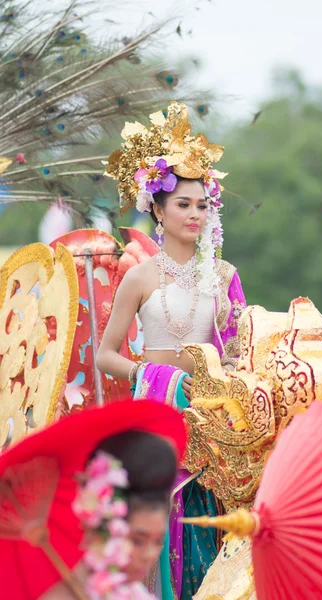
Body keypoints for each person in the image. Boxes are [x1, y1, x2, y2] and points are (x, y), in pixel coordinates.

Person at [96, 102, 247, 600]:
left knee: (210, 530)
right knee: (158, 531)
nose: (195, 214)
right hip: (155, 418)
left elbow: (237, 355)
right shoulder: (139, 276)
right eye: (183, 204)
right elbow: (105, 355)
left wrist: (211, 387)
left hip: (208, 422)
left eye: (203, 205)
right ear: (158, 209)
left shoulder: (224, 278)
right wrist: (156, 378)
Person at [41, 430, 177, 600]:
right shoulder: (64, 595)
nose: (150, 554)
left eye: (158, 541)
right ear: (101, 527)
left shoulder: (135, 594)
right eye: (137, 540)